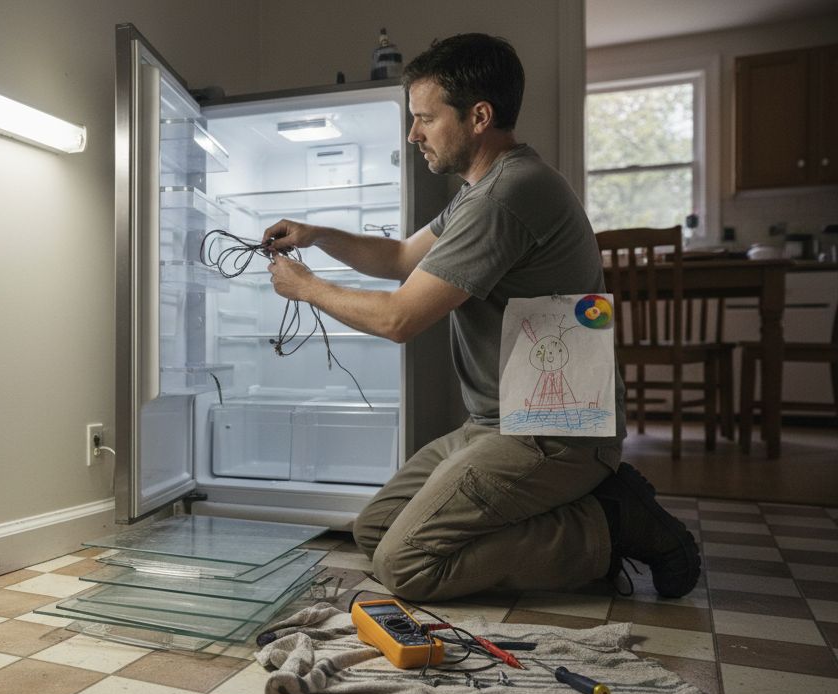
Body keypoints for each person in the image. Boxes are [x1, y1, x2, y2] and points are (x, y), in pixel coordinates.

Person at [261, 33, 699, 602]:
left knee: (407, 565)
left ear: (478, 116)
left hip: (555, 433)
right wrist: (318, 236)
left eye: (424, 118)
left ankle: (611, 525)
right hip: (494, 424)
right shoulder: (484, 189)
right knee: (373, 531)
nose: (413, 133)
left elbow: (399, 319)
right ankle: (574, 509)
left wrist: (307, 288)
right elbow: (398, 259)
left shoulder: (507, 196)